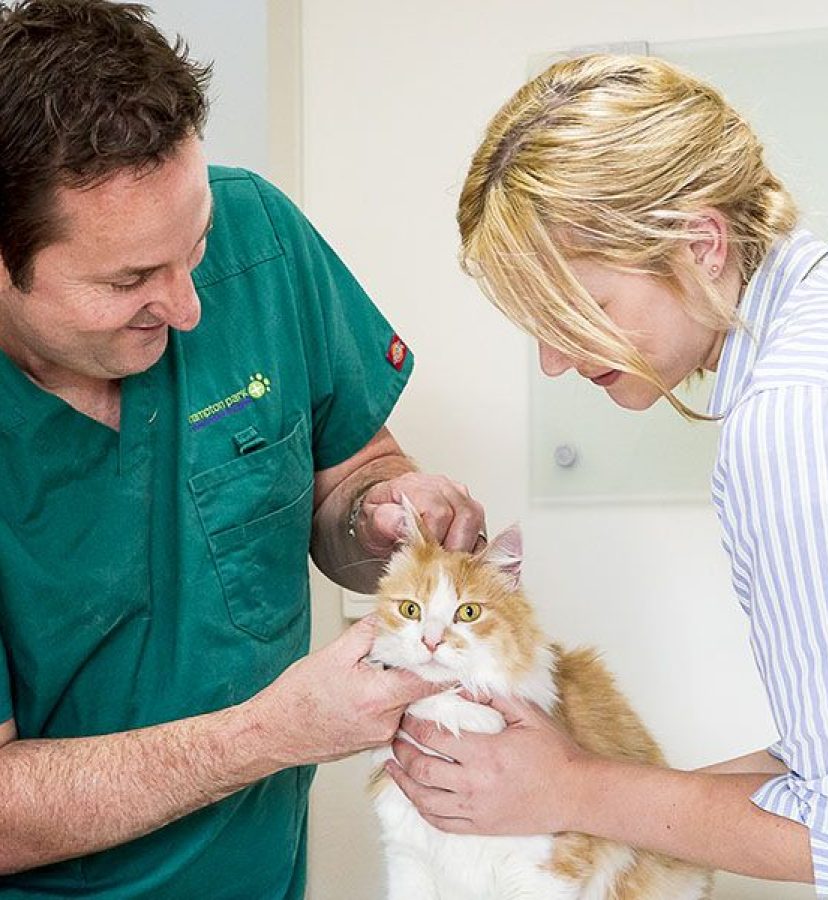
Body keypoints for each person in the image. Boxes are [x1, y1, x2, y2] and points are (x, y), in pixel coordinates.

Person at [385, 54, 828, 900]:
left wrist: (568, 787)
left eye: (579, 312)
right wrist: (601, 800)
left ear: (700, 243)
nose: (556, 361)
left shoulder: (798, 421)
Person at [0, 1, 485, 896]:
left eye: (196, 246)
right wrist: (274, 732)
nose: (188, 308)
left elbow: (349, 472)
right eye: (129, 279)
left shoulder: (261, 239)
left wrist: (382, 509)